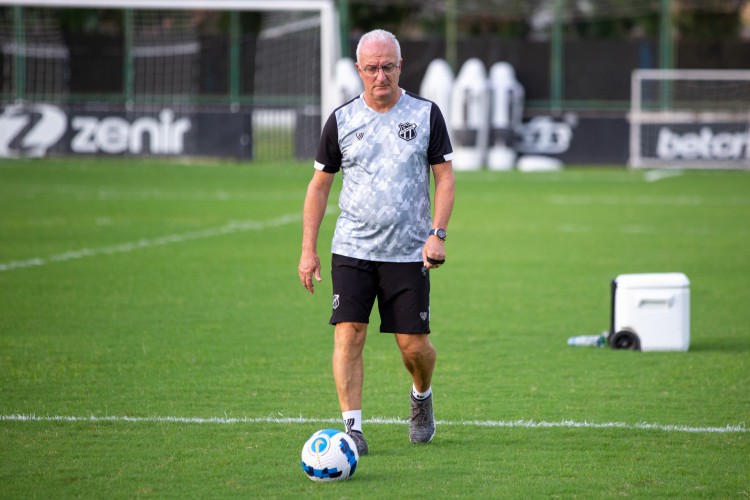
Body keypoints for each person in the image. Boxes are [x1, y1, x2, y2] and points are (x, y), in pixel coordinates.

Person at [298, 29, 455, 456]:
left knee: (413, 347)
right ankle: (352, 430)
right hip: (352, 248)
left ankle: (421, 397)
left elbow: (444, 178)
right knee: (348, 334)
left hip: (409, 251)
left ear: (400, 66)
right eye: (372, 68)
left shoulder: (425, 114)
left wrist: (437, 234)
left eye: (387, 66)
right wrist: (308, 250)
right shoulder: (342, 120)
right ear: (359, 70)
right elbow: (318, 187)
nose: (380, 75)